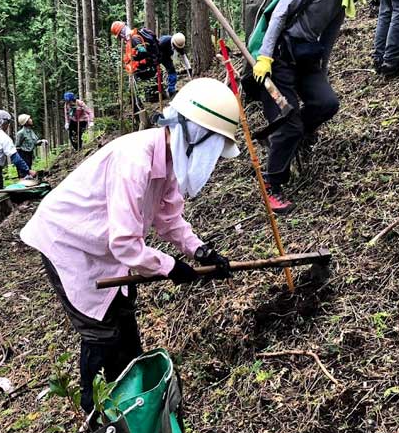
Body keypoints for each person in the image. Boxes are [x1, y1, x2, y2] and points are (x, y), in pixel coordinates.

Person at [21, 78, 240, 413]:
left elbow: (168, 218)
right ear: (195, 134)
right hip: (68, 240)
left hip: (101, 244)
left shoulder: (167, 160)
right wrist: (170, 267)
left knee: (123, 318)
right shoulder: (135, 159)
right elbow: (124, 242)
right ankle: (94, 413)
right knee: (100, 331)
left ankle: (130, 402)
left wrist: (198, 250)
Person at [252, 0, 384, 214]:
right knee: (289, 123)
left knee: (327, 104)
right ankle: (271, 185)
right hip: (279, 59)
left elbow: (329, 39)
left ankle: (292, 136)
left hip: (306, 60)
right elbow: (281, 13)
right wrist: (264, 56)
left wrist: (320, 80)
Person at [158, 32, 189, 97]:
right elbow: (155, 52)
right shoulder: (163, 42)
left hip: (167, 57)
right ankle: (159, 91)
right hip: (159, 55)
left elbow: (184, 57)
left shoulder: (179, 43)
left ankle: (171, 90)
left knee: (172, 71)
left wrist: (189, 69)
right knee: (158, 73)